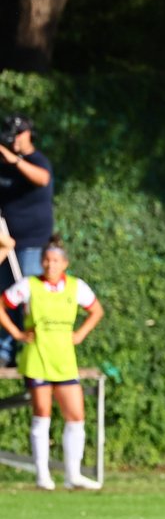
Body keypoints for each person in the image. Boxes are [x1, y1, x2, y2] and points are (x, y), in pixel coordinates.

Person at [0, 235, 103, 490]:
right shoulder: (28, 285)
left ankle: (73, 475)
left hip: (64, 358)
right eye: (46, 260)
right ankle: (43, 475)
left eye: (55, 260)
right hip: (38, 356)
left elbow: (96, 311)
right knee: (42, 414)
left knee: (76, 415)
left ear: (64, 263)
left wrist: (80, 333)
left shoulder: (76, 287)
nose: (50, 265)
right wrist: (17, 334)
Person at [0, 114, 54, 367]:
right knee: (5, 299)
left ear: (27, 133)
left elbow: (42, 179)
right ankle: (5, 353)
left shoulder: (36, 160)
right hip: (5, 245)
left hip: (31, 246)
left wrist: (15, 160)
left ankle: (35, 354)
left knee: (31, 302)